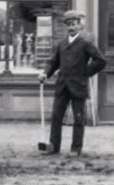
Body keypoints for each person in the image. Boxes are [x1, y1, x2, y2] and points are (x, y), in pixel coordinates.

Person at [37, 10, 107, 157]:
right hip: (62, 86)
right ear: (66, 27)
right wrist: (45, 74)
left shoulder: (85, 44)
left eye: (74, 24)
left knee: (79, 118)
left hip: (78, 86)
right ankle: (53, 147)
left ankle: (76, 148)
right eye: (68, 25)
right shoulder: (61, 44)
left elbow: (101, 60)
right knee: (56, 116)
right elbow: (53, 63)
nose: (71, 28)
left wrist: (86, 72)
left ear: (79, 25)